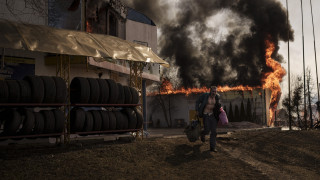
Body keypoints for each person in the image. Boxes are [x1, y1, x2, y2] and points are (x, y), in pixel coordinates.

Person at [195, 86, 221, 152]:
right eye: (213, 91)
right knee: (207, 130)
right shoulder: (205, 95)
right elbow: (197, 101)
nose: (214, 93)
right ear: (210, 91)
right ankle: (202, 134)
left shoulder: (217, 97)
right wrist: (197, 110)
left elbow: (218, 105)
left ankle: (212, 147)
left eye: (215, 91)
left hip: (213, 115)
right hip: (205, 115)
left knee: (214, 131)